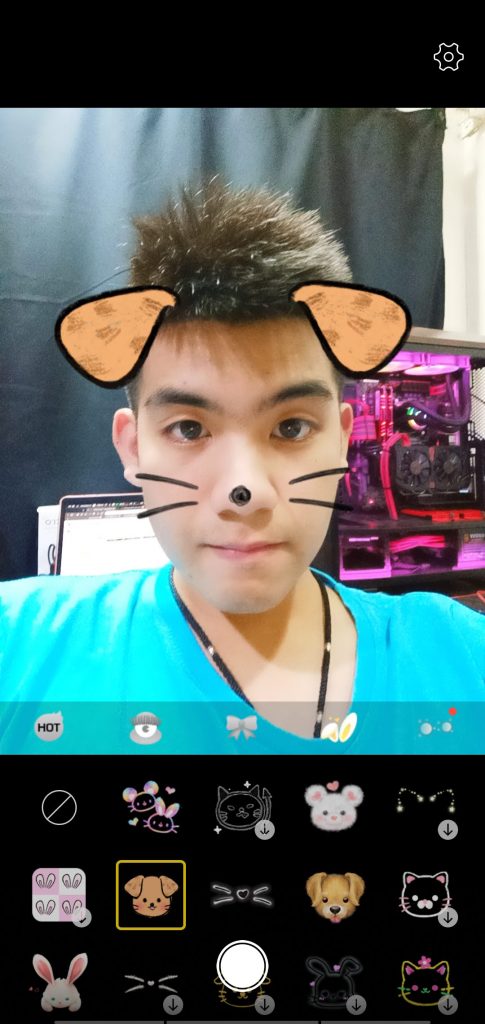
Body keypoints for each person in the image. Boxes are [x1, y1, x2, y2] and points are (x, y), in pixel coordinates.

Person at [1, 178, 484, 756]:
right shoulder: (18, 644)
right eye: (189, 429)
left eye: (291, 427)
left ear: (342, 439)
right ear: (132, 448)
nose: (245, 489)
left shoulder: (462, 655)